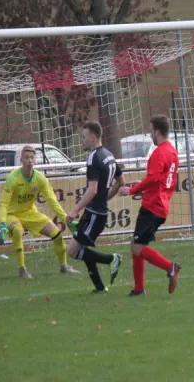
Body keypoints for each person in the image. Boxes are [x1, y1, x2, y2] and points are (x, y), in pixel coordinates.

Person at [118, 115, 181, 296]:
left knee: (136, 247)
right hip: (160, 204)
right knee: (136, 244)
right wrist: (143, 187)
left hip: (153, 207)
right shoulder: (172, 151)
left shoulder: (159, 152)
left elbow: (154, 178)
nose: (150, 135)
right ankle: (139, 289)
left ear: (158, 132)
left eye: (151, 131)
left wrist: (132, 190)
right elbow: (162, 181)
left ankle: (170, 267)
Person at [0, 145, 79, 278]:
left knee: (57, 234)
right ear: (21, 160)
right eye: (26, 157)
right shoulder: (13, 178)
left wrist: (66, 219)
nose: (29, 160)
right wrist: (2, 224)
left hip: (30, 213)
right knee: (18, 231)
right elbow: (3, 203)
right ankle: (22, 269)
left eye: (32, 157)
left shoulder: (40, 179)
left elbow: (52, 201)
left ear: (35, 160)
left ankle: (64, 266)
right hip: (12, 215)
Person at [65, 121, 126, 293]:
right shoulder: (109, 155)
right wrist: (105, 198)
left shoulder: (93, 157)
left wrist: (74, 211)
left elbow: (92, 190)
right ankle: (99, 287)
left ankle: (112, 259)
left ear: (92, 138)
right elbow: (121, 182)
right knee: (82, 248)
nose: (82, 141)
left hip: (94, 213)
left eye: (83, 137)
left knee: (72, 250)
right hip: (97, 213)